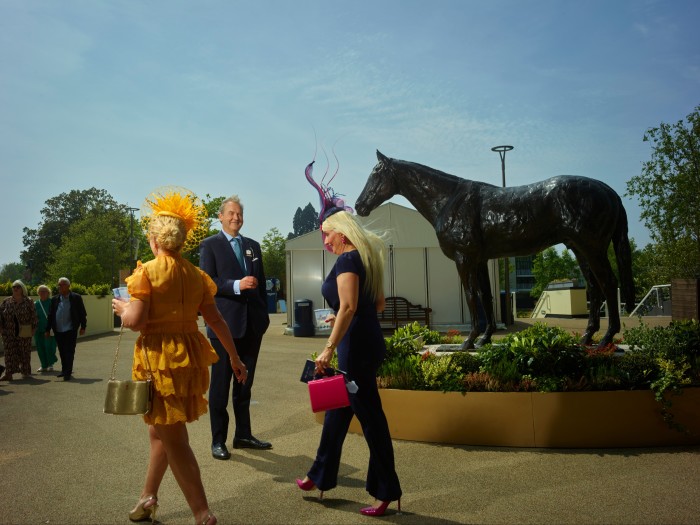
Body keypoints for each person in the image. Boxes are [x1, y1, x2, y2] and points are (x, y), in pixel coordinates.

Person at [112, 188, 247, 525]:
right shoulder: (196, 275)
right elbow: (216, 321)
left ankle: (203, 513)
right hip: (186, 359)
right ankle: (148, 497)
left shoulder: (146, 273)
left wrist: (123, 307)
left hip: (160, 360)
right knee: (160, 432)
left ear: (155, 240)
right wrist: (234, 358)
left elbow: (136, 322)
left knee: (174, 438)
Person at [296, 160, 402, 516]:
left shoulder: (347, 261)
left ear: (342, 232)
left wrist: (328, 347)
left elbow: (351, 307)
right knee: (338, 413)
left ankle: (386, 491)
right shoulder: (365, 259)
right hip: (362, 341)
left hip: (354, 348)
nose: (325, 240)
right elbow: (375, 305)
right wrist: (340, 314)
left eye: (328, 234)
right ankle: (320, 474)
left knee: (371, 419)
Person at [199, 195, 271, 460]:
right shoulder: (210, 246)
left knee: (245, 385)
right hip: (223, 327)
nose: (235, 218)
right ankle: (218, 440)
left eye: (239, 214)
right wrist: (237, 285)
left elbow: (261, 284)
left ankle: (243, 435)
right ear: (220, 216)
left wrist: (263, 316)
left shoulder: (253, 246)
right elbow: (208, 283)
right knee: (220, 386)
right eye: (230, 213)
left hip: (253, 326)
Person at [45, 277, 87, 381]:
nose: (60, 286)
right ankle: (64, 370)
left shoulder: (76, 297)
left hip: (71, 328)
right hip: (58, 329)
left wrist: (83, 326)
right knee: (62, 351)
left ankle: (68, 372)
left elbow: (82, 312)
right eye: (59, 285)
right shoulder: (55, 299)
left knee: (69, 351)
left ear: (68, 286)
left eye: (62, 284)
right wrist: (47, 329)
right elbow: (50, 315)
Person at [0, 280, 38, 381]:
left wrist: (34, 328)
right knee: (9, 353)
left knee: (24, 352)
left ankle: (25, 372)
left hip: (24, 331)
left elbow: (34, 316)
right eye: (14, 287)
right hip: (8, 331)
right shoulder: (6, 301)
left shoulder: (28, 301)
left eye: (18, 287)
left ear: (22, 289)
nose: (15, 288)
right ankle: (9, 374)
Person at [34, 284, 57, 372]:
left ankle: (50, 364)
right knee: (40, 347)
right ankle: (43, 365)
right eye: (40, 291)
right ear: (38, 293)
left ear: (48, 293)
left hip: (49, 329)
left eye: (44, 291)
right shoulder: (35, 304)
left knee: (49, 347)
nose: (42, 293)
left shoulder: (52, 302)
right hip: (38, 329)